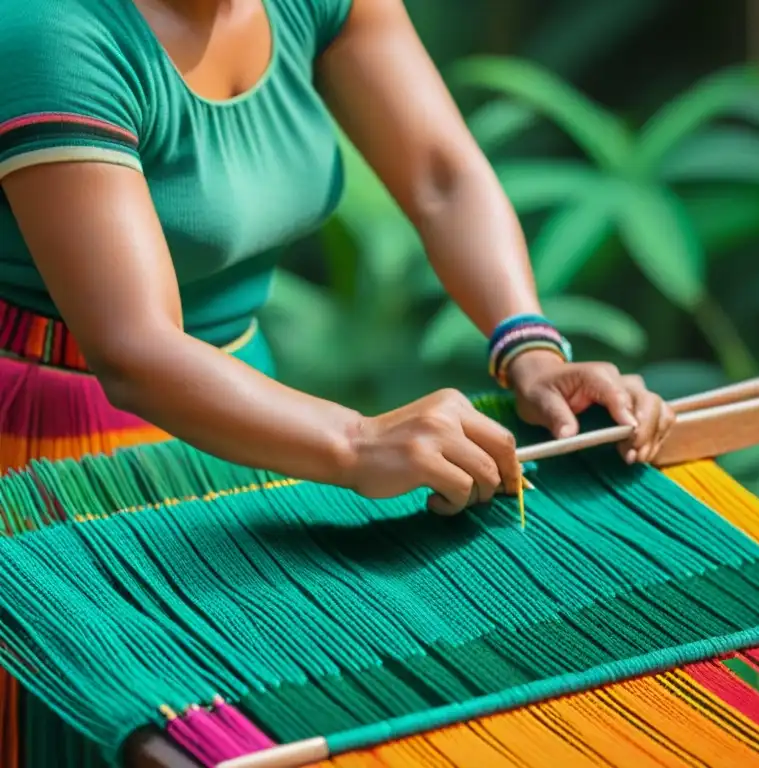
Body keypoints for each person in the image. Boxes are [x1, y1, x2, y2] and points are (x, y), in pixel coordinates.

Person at [0, 0, 675, 512]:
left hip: (242, 397)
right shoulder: (51, 34)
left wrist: (530, 352)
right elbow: (134, 350)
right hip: (49, 439)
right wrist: (357, 441)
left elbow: (441, 177)